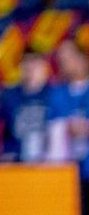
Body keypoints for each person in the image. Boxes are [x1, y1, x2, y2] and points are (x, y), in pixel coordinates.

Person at [48, 41, 89, 213]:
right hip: (66, 173)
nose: (63, 63)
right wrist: (65, 129)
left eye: (67, 58)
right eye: (60, 60)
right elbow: (50, 128)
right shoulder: (56, 93)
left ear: (83, 59)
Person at [0, 52, 54, 162]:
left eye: (35, 63)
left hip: (48, 158)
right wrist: (7, 151)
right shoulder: (9, 96)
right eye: (26, 63)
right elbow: (3, 131)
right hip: (17, 158)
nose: (30, 67)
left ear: (44, 67)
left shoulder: (54, 94)